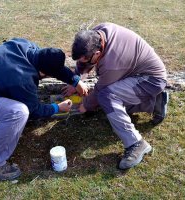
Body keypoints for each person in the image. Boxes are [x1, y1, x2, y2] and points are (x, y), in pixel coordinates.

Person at [0, 38, 88, 180]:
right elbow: (33, 110)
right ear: (44, 73)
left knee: (8, 133)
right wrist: (57, 107)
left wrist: (75, 80)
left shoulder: (27, 47)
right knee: (18, 113)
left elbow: (51, 66)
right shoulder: (22, 79)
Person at [63, 22, 169, 170]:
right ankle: (154, 102)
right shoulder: (98, 33)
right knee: (109, 99)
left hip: (151, 80)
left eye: (86, 59)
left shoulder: (113, 63)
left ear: (98, 54)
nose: (82, 62)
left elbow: (100, 90)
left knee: (107, 97)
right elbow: (84, 61)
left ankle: (136, 143)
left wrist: (85, 105)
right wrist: (76, 81)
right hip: (134, 73)